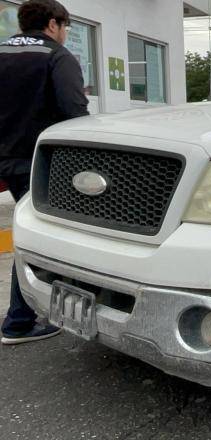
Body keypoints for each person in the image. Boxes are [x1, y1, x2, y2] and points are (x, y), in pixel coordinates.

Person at [0, 0, 88, 345]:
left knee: (30, 231)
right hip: (40, 164)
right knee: (38, 236)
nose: (66, 33)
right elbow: (74, 111)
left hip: (6, 157)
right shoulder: (56, 56)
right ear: (53, 24)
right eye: (66, 27)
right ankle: (19, 322)